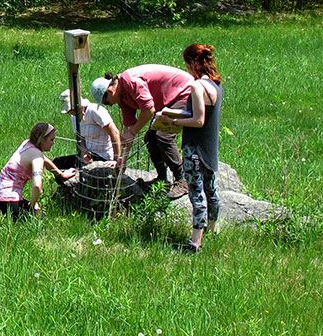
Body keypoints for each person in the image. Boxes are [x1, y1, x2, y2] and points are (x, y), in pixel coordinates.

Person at [156, 44, 224, 253]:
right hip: (210, 147)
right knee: (211, 190)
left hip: (194, 149)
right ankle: (213, 230)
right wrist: (175, 114)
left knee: (196, 193)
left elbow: (198, 120)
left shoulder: (197, 87)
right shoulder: (216, 85)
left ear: (194, 63)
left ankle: (195, 241)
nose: (187, 69)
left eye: (187, 64)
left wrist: (173, 122)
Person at [91, 64, 194, 199]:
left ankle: (182, 179)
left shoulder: (130, 81)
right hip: (167, 102)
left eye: (106, 102)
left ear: (110, 92)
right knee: (150, 137)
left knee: (163, 136)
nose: (109, 106)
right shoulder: (122, 98)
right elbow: (129, 130)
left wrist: (133, 132)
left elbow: (149, 110)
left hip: (183, 92)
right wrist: (122, 159)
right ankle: (162, 179)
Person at [0, 122, 76, 220]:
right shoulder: (37, 157)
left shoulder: (27, 144)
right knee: (42, 220)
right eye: (51, 139)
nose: (54, 143)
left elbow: (45, 160)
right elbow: (37, 185)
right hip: (11, 201)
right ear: (42, 140)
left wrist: (61, 174)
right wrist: (33, 205)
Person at [57, 88, 121, 166]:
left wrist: (116, 159)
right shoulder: (73, 117)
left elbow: (114, 133)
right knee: (58, 162)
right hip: (90, 155)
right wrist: (84, 154)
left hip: (104, 155)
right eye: (70, 111)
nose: (73, 113)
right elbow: (79, 138)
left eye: (73, 110)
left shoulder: (95, 111)